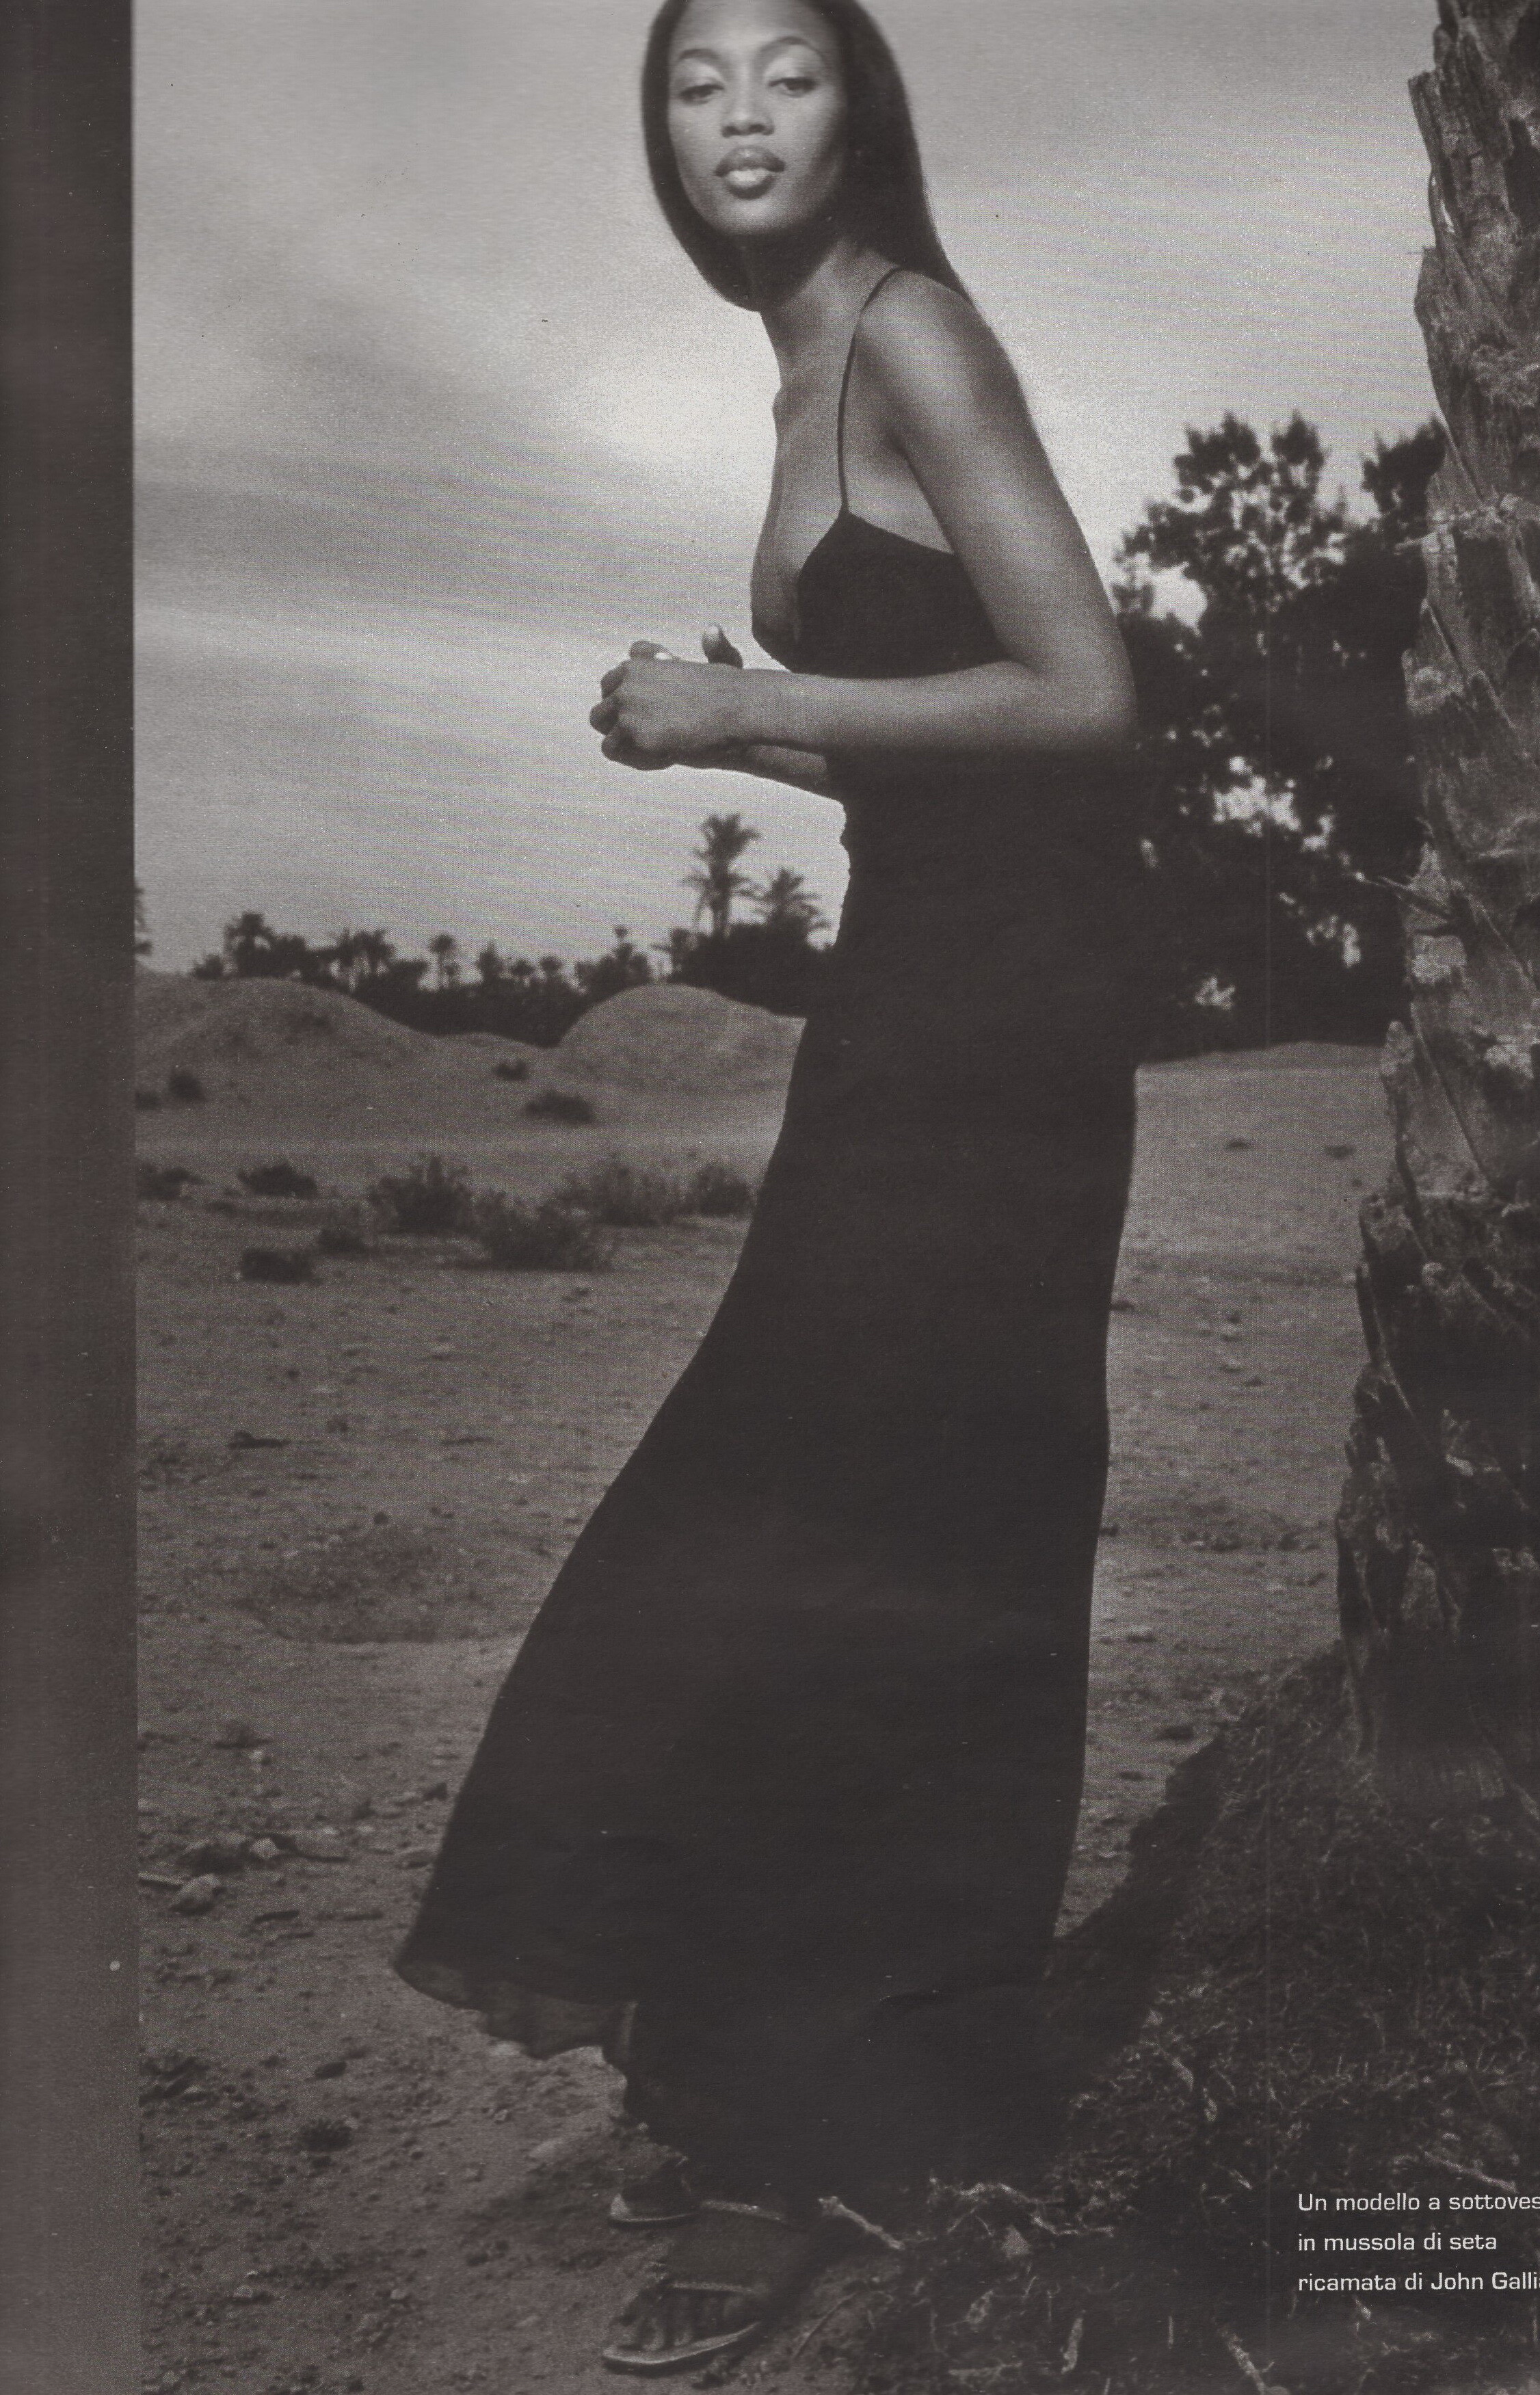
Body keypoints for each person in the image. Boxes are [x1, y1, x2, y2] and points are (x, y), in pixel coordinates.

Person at [397, 0, 1141, 2370]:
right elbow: (948, 757)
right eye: (693, 77)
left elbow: (1089, 695)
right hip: (917, 989)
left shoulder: (913, 330)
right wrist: (757, 750)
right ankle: (772, 2078)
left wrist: (750, 704)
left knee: (867, 1528)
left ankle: (836, 2132)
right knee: (826, 1518)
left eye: (783, 71)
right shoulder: (802, 356)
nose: (736, 113)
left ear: (858, 108)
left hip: (999, 1037)